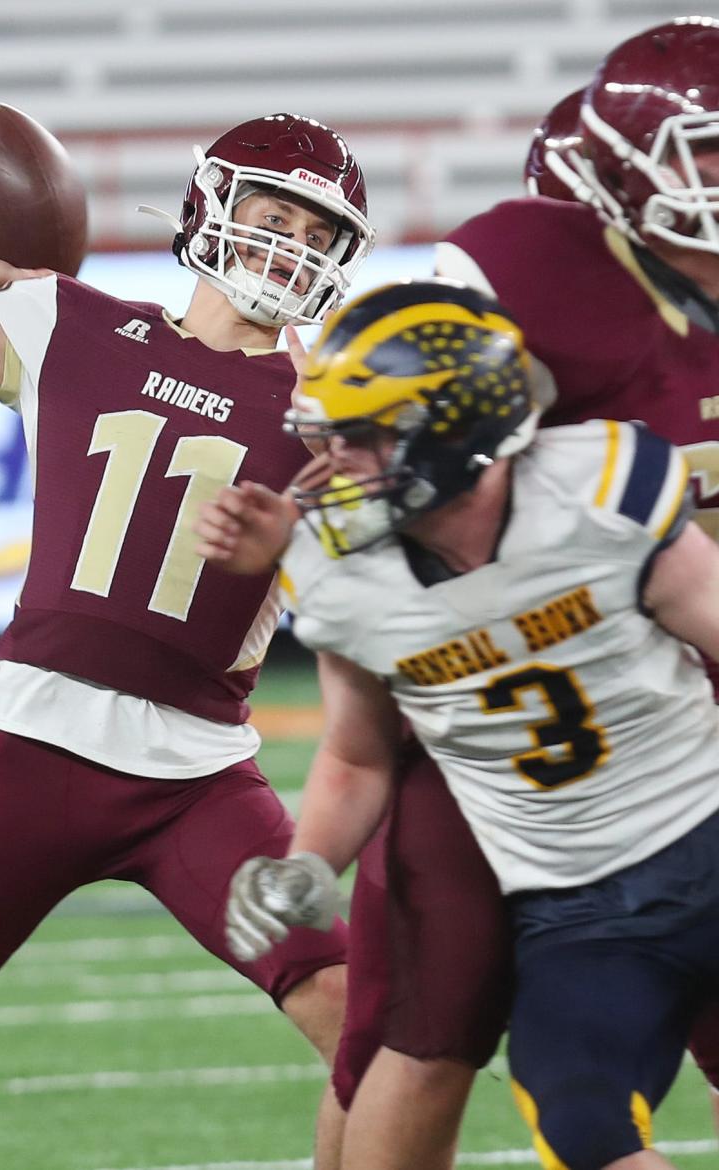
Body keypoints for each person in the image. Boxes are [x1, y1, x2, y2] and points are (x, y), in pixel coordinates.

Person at [0, 112, 376, 1170]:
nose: (288, 244)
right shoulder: (73, 322)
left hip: (197, 774)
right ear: (213, 209)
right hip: (34, 750)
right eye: (272, 214)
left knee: (357, 1027)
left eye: (314, 231)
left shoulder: (335, 409)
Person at [276, 18, 719, 1170]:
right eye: (711, 149)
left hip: (685, 703)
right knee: (423, 1031)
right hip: (509, 690)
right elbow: (376, 425)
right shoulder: (527, 266)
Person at [197, 277, 719, 1170]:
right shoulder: (338, 571)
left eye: (364, 436)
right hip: (572, 903)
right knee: (582, 1125)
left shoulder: (602, 497)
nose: (337, 464)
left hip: (703, 833)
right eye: (330, 436)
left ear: (461, 429)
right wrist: (307, 864)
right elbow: (358, 758)